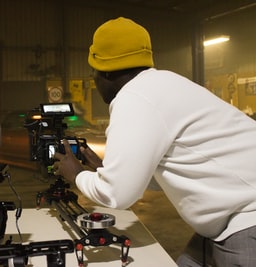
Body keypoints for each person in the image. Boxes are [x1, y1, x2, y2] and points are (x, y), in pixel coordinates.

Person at [52, 17, 256, 267]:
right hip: (226, 221)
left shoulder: (133, 99)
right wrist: (107, 171)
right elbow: (174, 170)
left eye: (92, 73)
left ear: (103, 72)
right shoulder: (165, 84)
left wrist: (77, 175)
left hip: (247, 221)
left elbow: (117, 196)